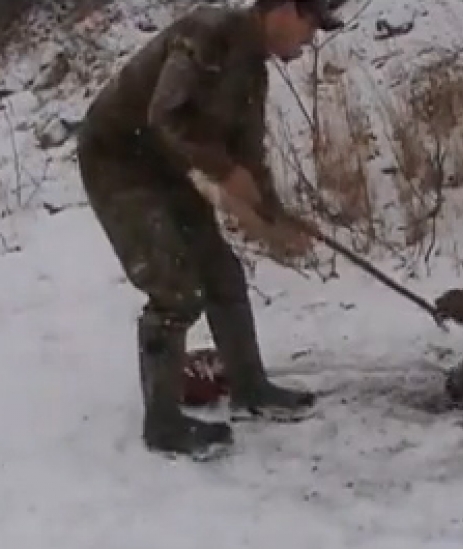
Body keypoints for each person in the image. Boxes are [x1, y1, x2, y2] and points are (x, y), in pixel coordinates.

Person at [75, 0, 345, 459]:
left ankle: (250, 387)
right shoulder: (209, 34)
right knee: (175, 289)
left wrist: (274, 216)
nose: (312, 36)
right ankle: (162, 424)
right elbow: (166, 115)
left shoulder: (253, 73)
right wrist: (223, 171)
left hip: (168, 169)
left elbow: (248, 158)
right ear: (282, 9)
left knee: (223, 274)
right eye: (311, 22)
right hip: (118, 163)